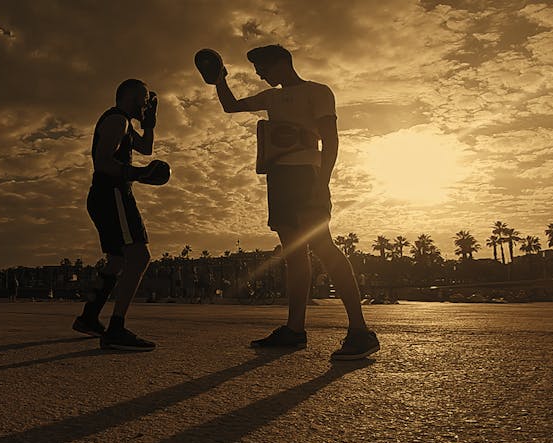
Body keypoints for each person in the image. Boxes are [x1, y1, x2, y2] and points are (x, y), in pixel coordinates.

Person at [198, 45, 379, 360]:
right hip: (279, 177)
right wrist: (219, 79)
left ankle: (360, 331)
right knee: (295, 254)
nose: (259, 73)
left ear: (281, 62)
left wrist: (322, 183)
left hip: (306, 175)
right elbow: (230, 106)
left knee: (323, 246)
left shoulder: (317, 92)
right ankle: (294, 330)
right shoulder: (271, 98)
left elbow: (331, 140)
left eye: (262, 67)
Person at [72, 78, 171, 351]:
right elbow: (103, 162)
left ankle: (89, 317)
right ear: (132, 98)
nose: (148, 104)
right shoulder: (118, 120)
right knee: (139, 257)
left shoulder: (124, 122)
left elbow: (146, 149)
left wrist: (149, 124)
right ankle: (116, 329)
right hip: (112, 192)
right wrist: (137, 173)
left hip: (105, 195)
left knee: (116, 260)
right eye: (145, 100)